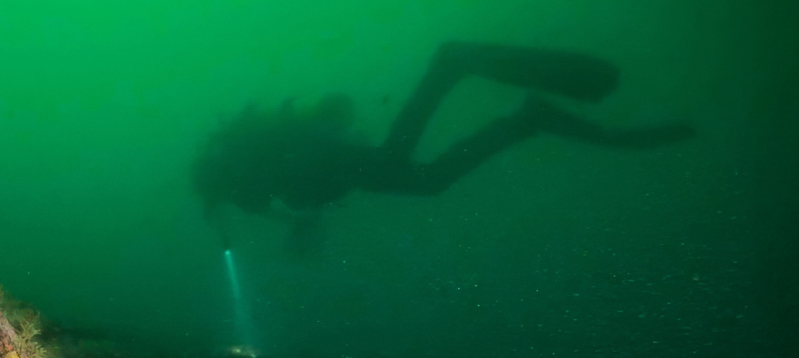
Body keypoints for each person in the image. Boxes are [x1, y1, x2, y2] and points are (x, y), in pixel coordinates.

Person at [194, 42, 694, 256]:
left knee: (411, 170)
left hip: (330, 161)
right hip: (332, 163)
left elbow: (273, 199)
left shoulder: (236, 178)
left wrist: (297, 220)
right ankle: (527, 120)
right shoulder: (239, 171)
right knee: (427, 180)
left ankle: (453, 63)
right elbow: (289, 203)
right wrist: (304, 220)